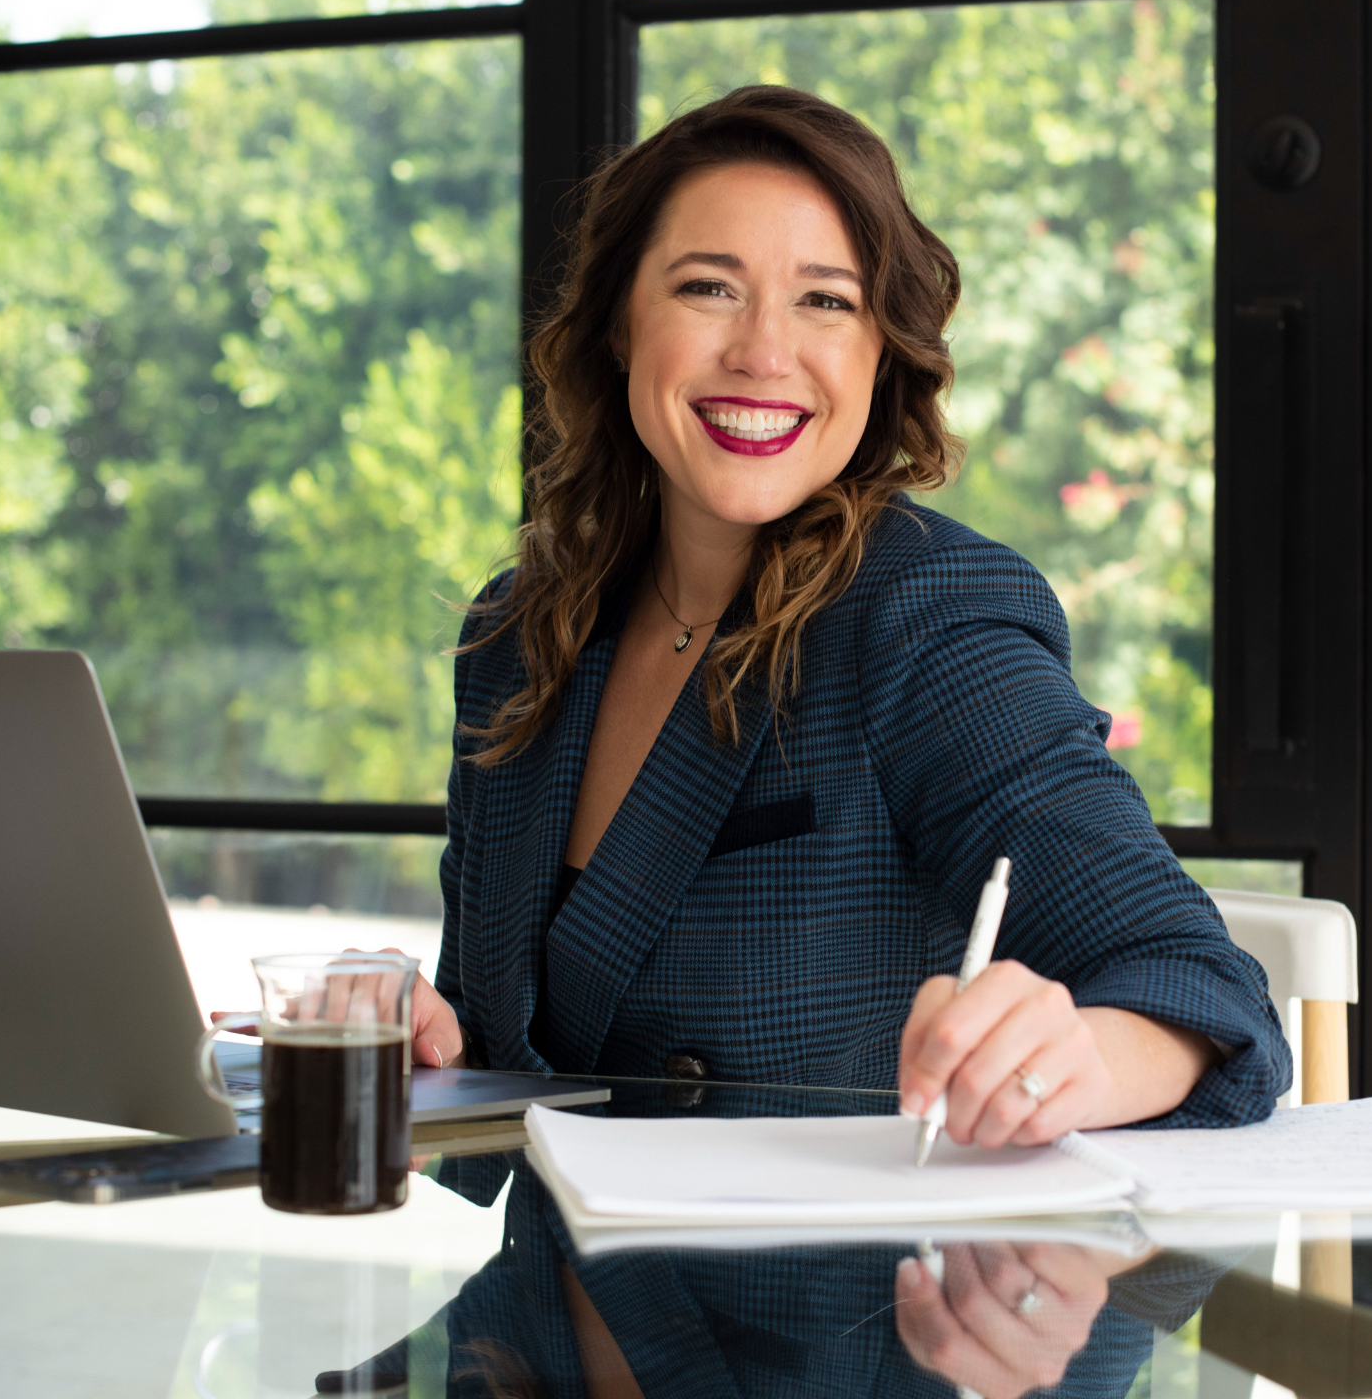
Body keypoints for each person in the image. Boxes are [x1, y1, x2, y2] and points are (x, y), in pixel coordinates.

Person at [404, 84, 1290, 1148]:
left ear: (881, 351)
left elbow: (1198, 984)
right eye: (708, 288)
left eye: (825, 301)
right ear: (619, 327)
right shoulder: (521, 635)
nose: (763, 353)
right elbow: (511, 1049)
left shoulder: (926, 615)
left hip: (852, 1257)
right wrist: (410, 1028)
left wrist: (1072, 1061)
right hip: (556, 1254)